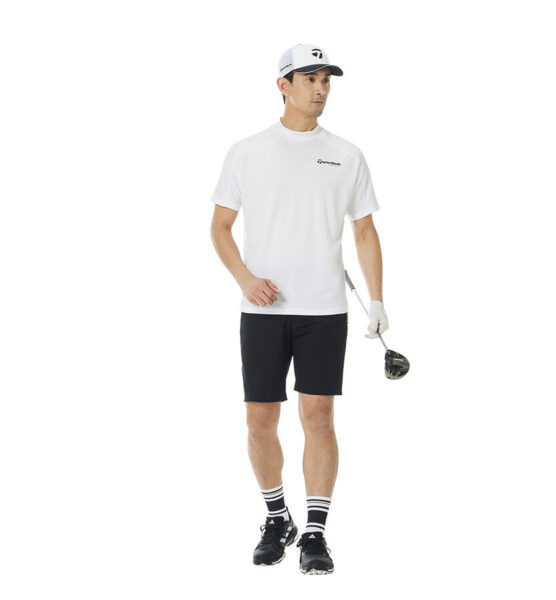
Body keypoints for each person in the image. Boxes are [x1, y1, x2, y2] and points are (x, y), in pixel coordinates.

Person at [209, 43, 389, 575]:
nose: (320, 89)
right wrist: (245, 279)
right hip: (263, 310)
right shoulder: (247, 152)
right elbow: (220, 227)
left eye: (326, 80)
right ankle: (276, 518)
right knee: (259, 420)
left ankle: (314, 531)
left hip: (325, 310)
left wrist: (378, 299)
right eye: (310, 79)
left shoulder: (347, 154)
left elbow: (364, 230)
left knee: (318, 416)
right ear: (283, 86)